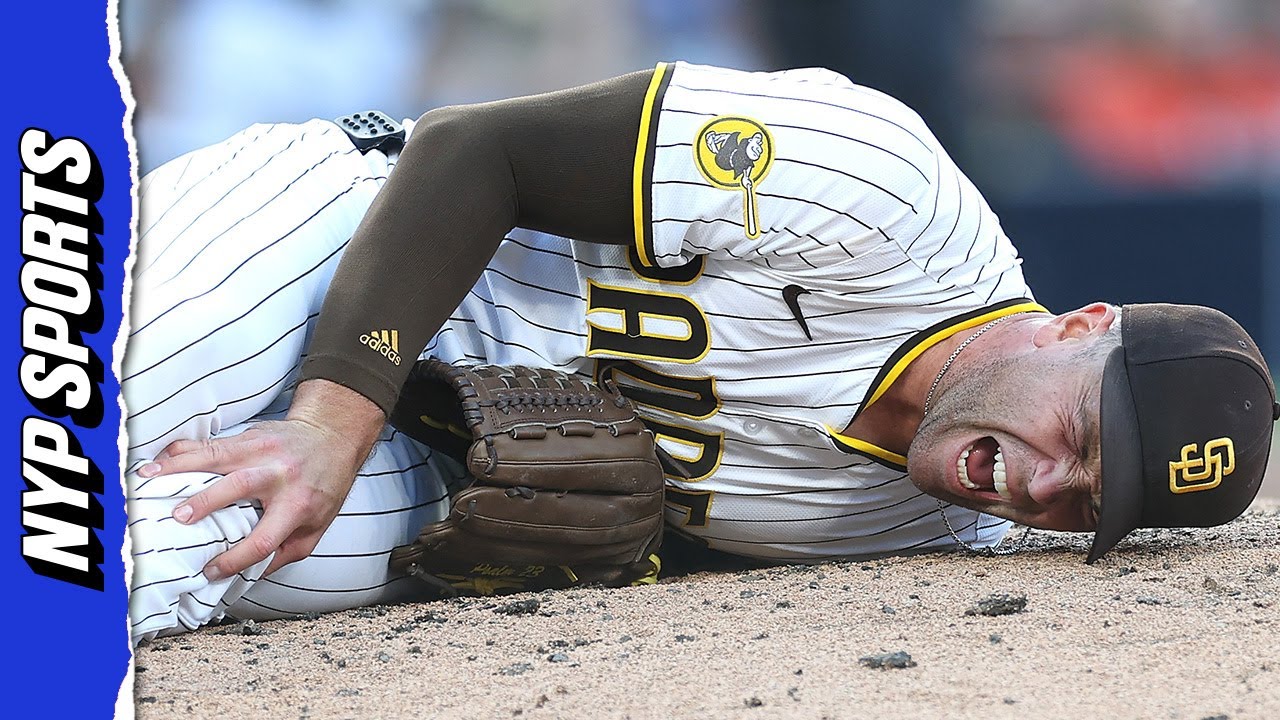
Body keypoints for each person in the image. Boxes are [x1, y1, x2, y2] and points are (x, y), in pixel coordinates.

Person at [124, 62, 1278, 644]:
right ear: (1079, 323)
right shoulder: (887, 195)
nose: (1043, 487)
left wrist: (627, 548)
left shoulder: (930, 528)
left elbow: (633, 533)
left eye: (1086, 506)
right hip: (355, 242)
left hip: (440, 457)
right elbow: (477, 151)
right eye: (1079, 435)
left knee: (212, 542)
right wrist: (334, 418)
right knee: (98, 398)